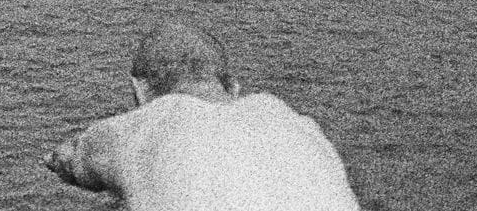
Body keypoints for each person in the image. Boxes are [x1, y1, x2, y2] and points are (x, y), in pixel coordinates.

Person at [44, 19, 361, 210]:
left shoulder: (154, 123)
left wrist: (54, 160)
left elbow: (74, 160)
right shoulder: (300, 127)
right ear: (233, 89)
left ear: (140, 92)